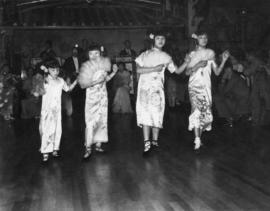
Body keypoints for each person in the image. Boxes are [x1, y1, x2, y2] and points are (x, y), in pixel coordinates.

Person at [135, 30, 190, 155]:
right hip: (144, 89)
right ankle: (146, 143)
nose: (161, 41)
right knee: (145, 115)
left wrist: (186, 62)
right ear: (153, 40)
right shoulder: (144, 54)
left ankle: (155, 141)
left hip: (157, 90)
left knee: (156, 114)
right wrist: (154, 68)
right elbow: (138, 70)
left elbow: (177, 71)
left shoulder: (166, 57)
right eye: (158, 38)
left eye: (163, 38)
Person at [185, 32, 229, 151]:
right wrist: (198, 65)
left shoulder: (210, 54)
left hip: (206, 87)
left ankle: (199, 137)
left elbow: (217, 72)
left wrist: (224, 60)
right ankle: (197, 139)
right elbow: (187, 72)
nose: (204, 40)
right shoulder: (192, 54)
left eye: (205, 37)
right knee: (196, 111)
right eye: (201, 37)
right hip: (194, 86)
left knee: (205, 114)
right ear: (196, 40)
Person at [78, 44, 118, 160]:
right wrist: (96, 82)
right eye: (91, 54)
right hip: (92, 99)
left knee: (102, 120)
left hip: (103, 98)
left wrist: (114, 73)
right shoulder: (86, 67)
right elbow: (82, 85)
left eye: (96, 53)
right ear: (88, 55)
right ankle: (88, 147)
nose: (94, 56)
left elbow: (106, 80)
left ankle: (98, 145)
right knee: (90, 122)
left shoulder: (103, 66)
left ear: (100, 54)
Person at [39, 59, 77, 162]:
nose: (55, 72)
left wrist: (76, 81)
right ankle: (45, 151)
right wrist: (44, 72)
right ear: (48, 70)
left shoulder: (61, 80)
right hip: (47, 110)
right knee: (47, 130)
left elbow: (68, 89)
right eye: (53, 70)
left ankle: (55, 149)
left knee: (57, 129)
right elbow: (39, 86)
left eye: (57, 70)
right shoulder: (45, 80)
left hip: (57, 109)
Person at [62, 45, 84, 116]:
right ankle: (73, 110)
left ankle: (80, 110)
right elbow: (65, 69)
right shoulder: (68, 60)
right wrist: (72, 73)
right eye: (73, 51)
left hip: (80, 79)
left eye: (76, 51)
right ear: (71, 52)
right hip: (72, 79)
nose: (75, 53)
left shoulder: (81, 59)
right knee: (73, 95)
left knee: (80, 95)